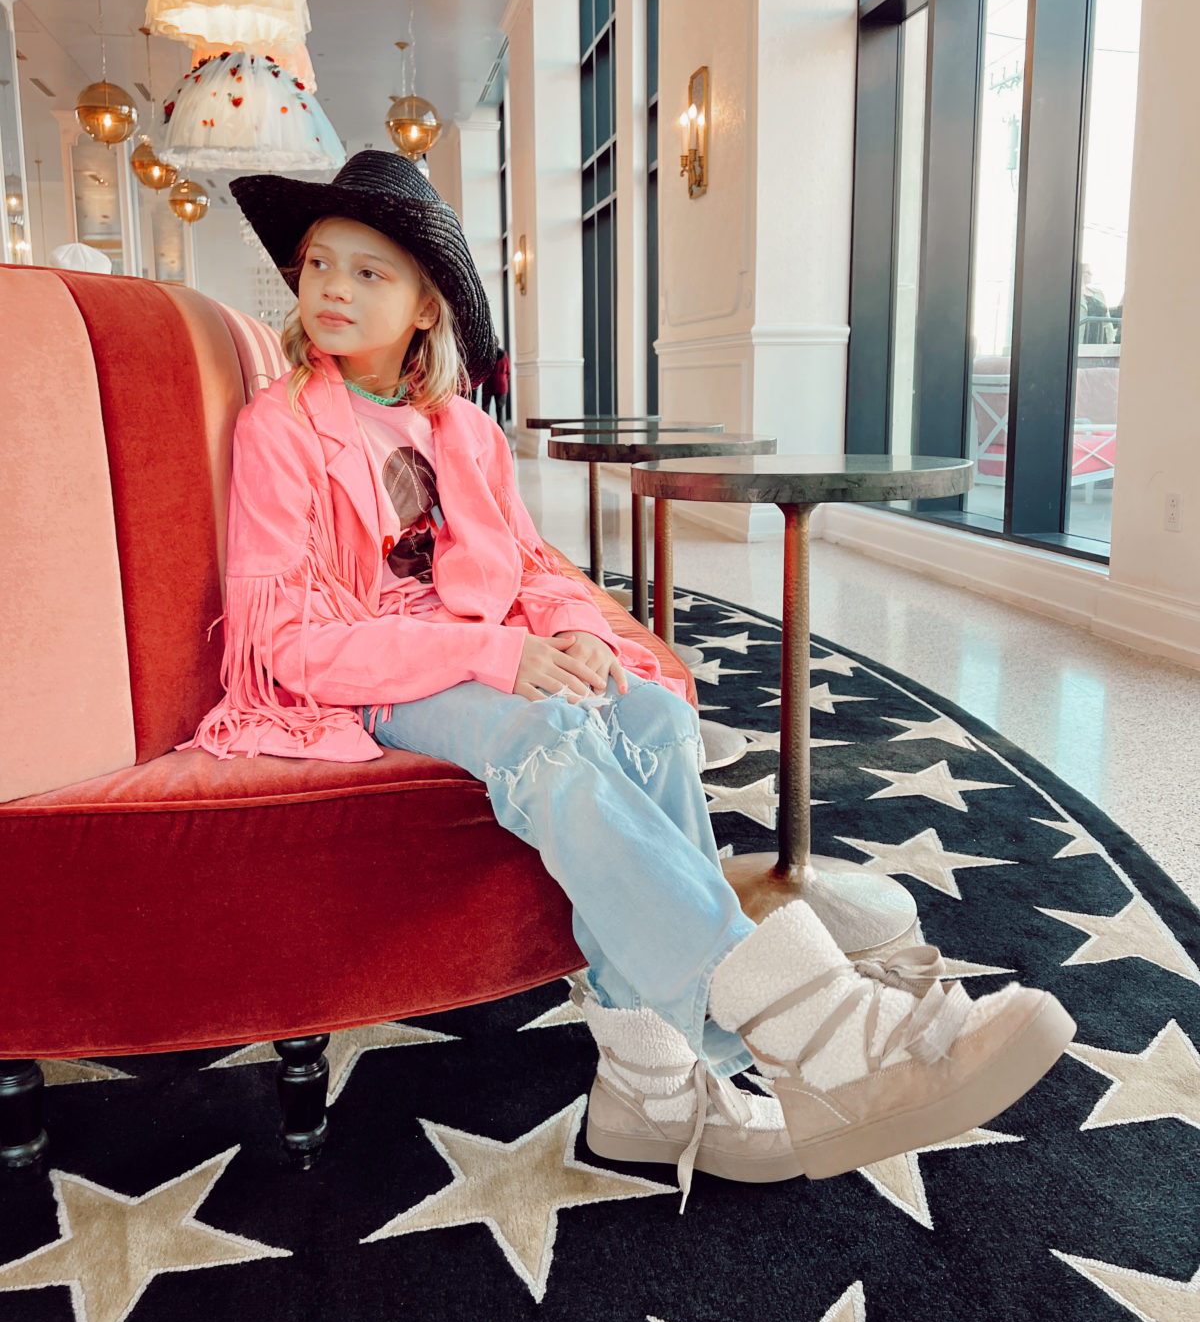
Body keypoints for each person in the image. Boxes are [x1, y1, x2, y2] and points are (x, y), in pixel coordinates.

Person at [184, 151, 1075, 1208]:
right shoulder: (281, 428)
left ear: (426, 305)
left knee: (646, 711)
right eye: (319, 263)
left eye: (368, 271)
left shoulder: (463, 430)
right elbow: (288, 640)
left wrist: (576, 633)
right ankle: (821, 1025)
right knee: (548, 736)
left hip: (477, 649)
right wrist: (498, 656)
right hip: (372, 673)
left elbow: (527, 567)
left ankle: (647, 1083)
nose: (331, 286)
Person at [480, 345, 510, 424]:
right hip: (501, 385)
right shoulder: (504, 354)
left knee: (485, 409)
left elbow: (483, 370)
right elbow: (508, 371)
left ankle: (486, 428)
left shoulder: (487, 354)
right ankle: (501, 429)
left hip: (488, 384)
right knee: (500, 410)